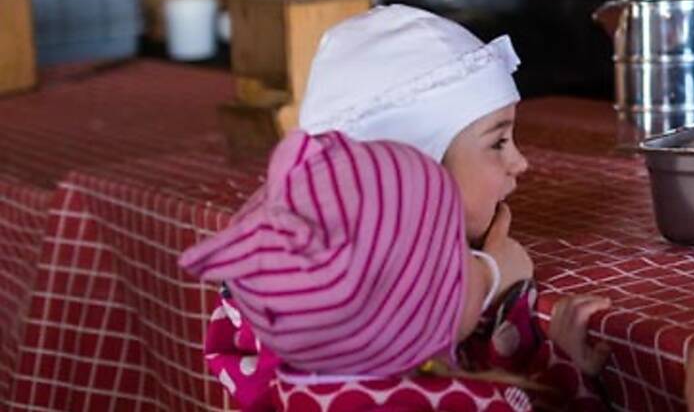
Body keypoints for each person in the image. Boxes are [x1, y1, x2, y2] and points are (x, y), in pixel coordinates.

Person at [180, 129, 604, 410]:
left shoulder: (287, 389)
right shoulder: (463, 404)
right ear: (414, 310)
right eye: (459, 250)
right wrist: (570, 369)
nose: (477, 263)